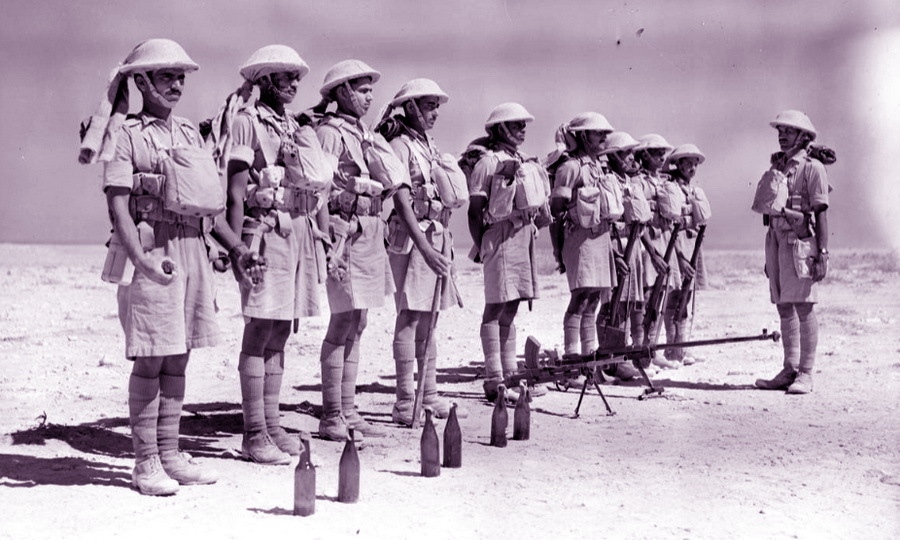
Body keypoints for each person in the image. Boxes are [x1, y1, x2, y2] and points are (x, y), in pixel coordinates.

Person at [79, 39, 259, 495]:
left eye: (181, 77)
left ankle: (170, 452)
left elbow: (207, 209)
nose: (177, 85)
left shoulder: (190, 135)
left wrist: (236, 248)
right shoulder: (125, 135)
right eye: (166, 77)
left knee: (179, 356)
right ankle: (145, 463)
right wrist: (140, 260)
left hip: (191, 248)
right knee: (151, 357)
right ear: (140, 82)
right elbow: (118, 206)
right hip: (152, 247)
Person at [221, 45, 332, 464]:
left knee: (281, 330)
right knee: (260, 330)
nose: (294, 84)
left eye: (296, 77)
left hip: (297, 232)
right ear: (265, 79)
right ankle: (253, 433)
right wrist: (236, 249)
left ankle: (270, 423)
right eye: (285, 77)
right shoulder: (247, 124)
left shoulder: (293, 125)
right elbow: (234, 193)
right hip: (264, 233)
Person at [313, 59, 402, 439]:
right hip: (343, 231)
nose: (369, 96)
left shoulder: (364, 133)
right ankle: (332, 413)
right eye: (362, 89)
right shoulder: (331, 133)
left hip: (367, 229)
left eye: (370, 90)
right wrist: (325, 239)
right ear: (342, 91)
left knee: (359, 321)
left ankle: (348, 409)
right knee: (342, 321)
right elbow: (319, 187)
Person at [374, 79, 468, 425]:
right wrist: (425, 247)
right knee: (410, 316)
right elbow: (400, 200)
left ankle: (428, 395)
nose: (435, 113)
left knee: (430, 318)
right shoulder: (400, 146)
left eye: (437, 106)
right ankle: (403, 400)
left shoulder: (427, 146)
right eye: (429, 106)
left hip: (436, 235)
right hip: (412, 240)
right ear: (411, 107)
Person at [466, 103, 551, 402]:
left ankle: (510, 376)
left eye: (523, 124)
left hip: (524, 236)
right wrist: (484, 248)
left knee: (512, 305)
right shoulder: (488, 163)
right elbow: (475, 212)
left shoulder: (524, 162)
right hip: (500, 238)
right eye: (516, 125)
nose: (522, 129)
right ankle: (493, 379)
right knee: (495, 307)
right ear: (499, 128)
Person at [755, 110, 829, 394]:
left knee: (803, 305)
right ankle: (789, 369)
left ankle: (806, 373)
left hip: (799, 242)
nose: (782, 135)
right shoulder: (779, 166)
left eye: (789, 131)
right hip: (775, 239)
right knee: (783, 304)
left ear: (804, 136)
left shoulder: (813, 168)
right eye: (780, 131)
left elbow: (821, 212)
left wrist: (822, 253)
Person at [546, 113, 616, 358]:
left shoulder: (598, 167)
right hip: (580, 240)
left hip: (600, 238)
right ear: (583, 136)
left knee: (594, 299)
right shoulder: (570, 168)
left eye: (605, 133)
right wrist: (558, 249)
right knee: (579, 299)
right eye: (599, 133)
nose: (604, 138)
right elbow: (555, 211)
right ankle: (572, 357)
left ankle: (589, 356)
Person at [597, 131, 651, 381]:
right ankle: (609, 359)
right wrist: (611, 252)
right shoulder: (607, 181)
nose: (632, 158)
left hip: (633, 246)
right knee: (612, 304)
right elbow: (604, 220)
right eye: (627, 153)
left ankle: (621, 355)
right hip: (616, 245)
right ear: (616, 156)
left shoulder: (631, 182)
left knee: (628, 303)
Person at [661, 144, 708, 366]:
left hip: (692, 245)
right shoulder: (671, 188)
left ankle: (681, 347)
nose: (691, 167)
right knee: (674, 296)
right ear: (677, 164)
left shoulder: (692, 190)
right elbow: (670, 225)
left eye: (694, 163)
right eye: (686, 162)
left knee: (686, 297)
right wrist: (679, 257)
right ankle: (671, 349)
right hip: (677, 246)